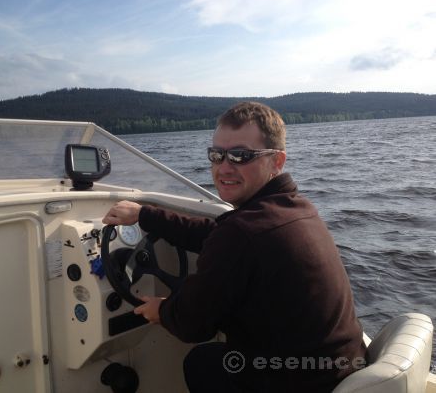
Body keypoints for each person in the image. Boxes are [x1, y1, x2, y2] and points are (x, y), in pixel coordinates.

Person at [102, 102, 366, 392]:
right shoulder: (293, 208)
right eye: (217, 155)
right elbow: (215, 234)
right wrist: (145, 215)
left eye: (241, 156)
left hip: (300, 382)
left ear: (276, 162)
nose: (224, 168)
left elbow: (191, 324)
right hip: (341, 369)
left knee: (201, 363)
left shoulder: (244, 232)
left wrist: (161, 310)